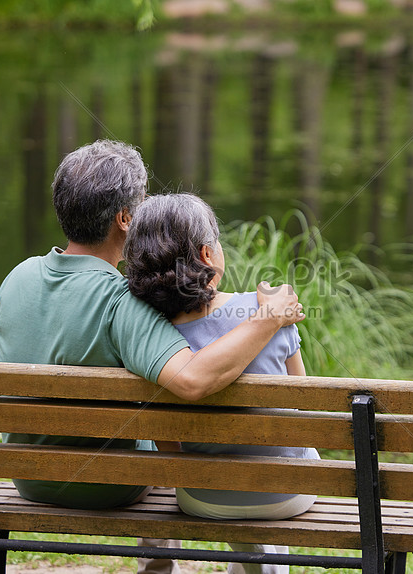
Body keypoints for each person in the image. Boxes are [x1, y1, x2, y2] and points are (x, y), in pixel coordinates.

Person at [0, 140, 304, 573]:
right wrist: (268, 319)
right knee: (157, 421)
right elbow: (193, 380)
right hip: (106, 485)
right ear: (125, 219)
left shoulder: (16, 279)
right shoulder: (123, 302)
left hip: (27, 473)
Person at [124, 193, 318, 574]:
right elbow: (307, 409)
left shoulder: (150, 339)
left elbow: (168, 444)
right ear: (208, 255)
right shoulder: (267, 310)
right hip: (287, 493)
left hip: (201, 495)